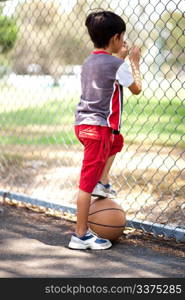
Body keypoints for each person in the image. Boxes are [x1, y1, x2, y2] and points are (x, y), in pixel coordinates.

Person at [68, 10, 142, 250]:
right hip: (98, 129)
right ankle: (80, 235)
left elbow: (107, 70)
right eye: (123, 37)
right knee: (85, 186)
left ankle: (103, 180)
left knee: (117, 142)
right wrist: (134, 62)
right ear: (117, 38)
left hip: (83, 125)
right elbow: (136, 88)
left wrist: (118, 59)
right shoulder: (117, 65)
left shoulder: (90, 61)